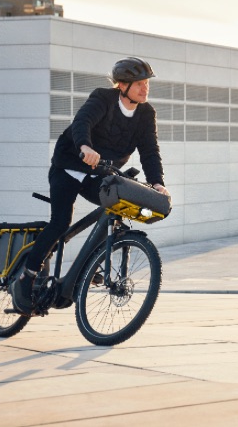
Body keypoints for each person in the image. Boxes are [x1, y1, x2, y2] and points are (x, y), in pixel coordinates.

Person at [10, 56, 170, 314]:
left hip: (99, 173)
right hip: (69, 166)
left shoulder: (146, 114)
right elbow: (82, 122)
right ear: (122, 85)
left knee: (115, 207)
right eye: (139, 83)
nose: (145, 88)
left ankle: (91, 263)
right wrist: (84, 146)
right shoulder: (103, 98)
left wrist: (157, 183)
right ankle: (27, 274)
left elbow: (150, 151)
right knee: (61, 222)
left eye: (146, 83)